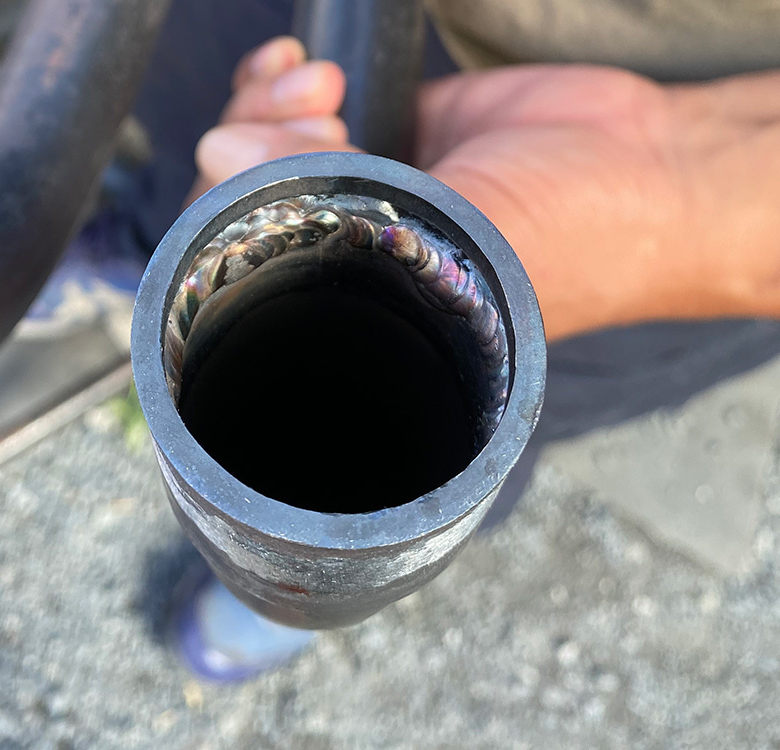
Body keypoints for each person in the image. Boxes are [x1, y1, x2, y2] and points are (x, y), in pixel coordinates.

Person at [159, 6, 780, 681]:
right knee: (204, 163)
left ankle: (301, 593)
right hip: (384, 40)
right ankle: (279, 581)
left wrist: (682, 202)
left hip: (669, 163)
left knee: (476, 443)